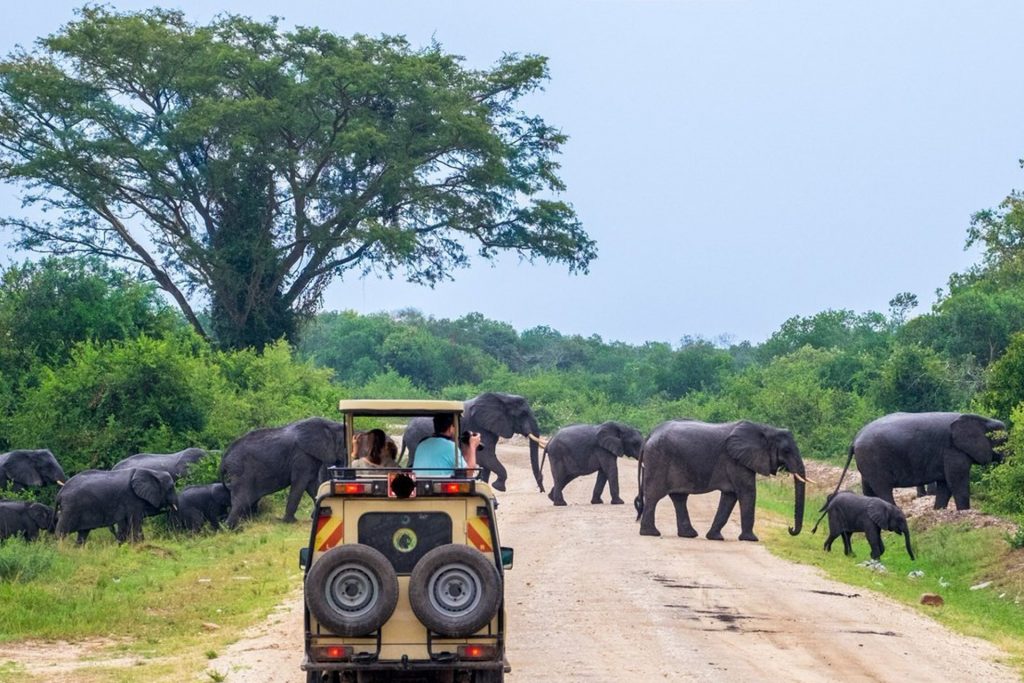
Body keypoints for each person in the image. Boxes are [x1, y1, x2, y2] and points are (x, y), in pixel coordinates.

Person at [413, 413, 480, 476]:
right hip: (438, 487)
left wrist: (467, 447)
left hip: (419, 485)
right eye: (455, 426)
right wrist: (473, 446)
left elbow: (463, 465)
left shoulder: (421, 444)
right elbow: (468, 474)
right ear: (450, 428)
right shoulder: (450, 447)